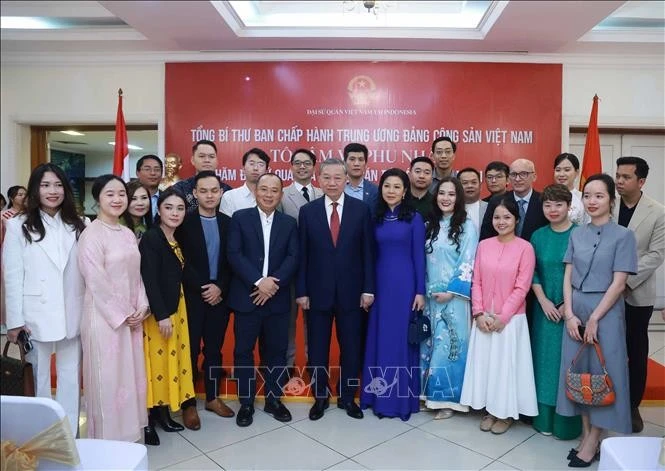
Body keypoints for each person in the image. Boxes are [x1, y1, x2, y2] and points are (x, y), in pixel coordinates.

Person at [556, 173, 637, 467]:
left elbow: (619, 283)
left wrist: (595, 319)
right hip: (576, 308)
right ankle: (588, 433)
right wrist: (569, 312)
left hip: (606, 309)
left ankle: (593, 439)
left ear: (611, 201)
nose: (592, 201)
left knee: (606, 371)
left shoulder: (624, 236)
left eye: (599, 196)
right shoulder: (577, 233)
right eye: (587, 195)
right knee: (580, 371)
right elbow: (567, 274)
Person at [3, 163, 87, 435]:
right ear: (35, 190)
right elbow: (13, 275)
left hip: (72, 311)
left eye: (58, 185)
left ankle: (69, 437)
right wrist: (14, 321)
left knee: (70, 379)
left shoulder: (80, 223)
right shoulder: (18, 225)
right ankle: (42, 438)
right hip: (35, 314)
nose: (52, 191)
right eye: (45, 185)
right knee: (38, 380)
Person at [297, 158, 375, 421]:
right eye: (326, 178)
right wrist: (302, 291)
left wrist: (368, 289)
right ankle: (320, 397)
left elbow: (368, 253)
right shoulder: (308, 212)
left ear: (346, 180)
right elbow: (303, 256)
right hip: (316, 293)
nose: (332, 183)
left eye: (337, 178)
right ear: (319, 180)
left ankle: (346, 397)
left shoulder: (361, 210)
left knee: (351, 347)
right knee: (317, 349)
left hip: (353, 294)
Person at [77, 174, 150, 442]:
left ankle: (129, 437)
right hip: (105, 320)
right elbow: (96, 280)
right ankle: (107, 442)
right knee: (107, 381)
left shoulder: (128, 233)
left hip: (131, 318)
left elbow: (137, 275)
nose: (117, 199)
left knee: (129, 380)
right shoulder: (91, 235)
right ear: (97, 199)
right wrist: (123, 314)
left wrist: (142, 305)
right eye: (110, 194)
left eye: (121, 193)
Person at [460, 197, 538, 435]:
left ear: (516, 219)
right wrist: (479, 313)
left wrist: (502, 318)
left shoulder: (525, 248)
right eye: (497, 217)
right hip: (484, 318)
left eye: (507, 217)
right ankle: (489, 409)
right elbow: (477, 282)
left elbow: (522, 287)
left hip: (510, 321)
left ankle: (504, 413)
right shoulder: (484, 245)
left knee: (506, 367)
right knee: (488, 367)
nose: (501, 222)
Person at [227, 173, 299, 427]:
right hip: (248, 297)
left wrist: (272, 284)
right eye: (264, 189)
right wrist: (259, 282)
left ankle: (273, 399)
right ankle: (246, 403)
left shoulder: (289, 223)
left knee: (276, 352)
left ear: (281, 194)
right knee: (244, 352)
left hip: (278, 299)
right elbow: (234, 254)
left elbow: (293, 257)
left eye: (274, 190)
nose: (269, 194)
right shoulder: (240, 218)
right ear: (256, 191)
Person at [360, 168, 425, 421]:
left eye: (397, 187)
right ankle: (376, 397)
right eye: (387, 186)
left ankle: (399, 402)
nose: (391, 191)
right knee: (379, 339)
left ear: (405, 191)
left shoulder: (414, 218)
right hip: (379, 286)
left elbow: (419, 256)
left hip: (405, 286)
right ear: (381, 189)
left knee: (400, 341)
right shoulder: (374, 217)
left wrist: (420, 290)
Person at [175, 171, 234, 430]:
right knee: (190, 349)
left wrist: (219, 287)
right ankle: (188, 404)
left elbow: (231, 260)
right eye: (204, 191)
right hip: (192, 296)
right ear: (195, 194)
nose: (210, 195)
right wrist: (203, 287)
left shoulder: (229, 222)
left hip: (219, 297)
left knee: (214, 349)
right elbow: (181, 262)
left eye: (214, 190)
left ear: (221, 193)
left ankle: (212, 397)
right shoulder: (183, 223)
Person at [614, 156, 665, 433]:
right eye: (618, 176)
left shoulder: (657, 212)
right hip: (605, 291)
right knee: (610, 348)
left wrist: (624, 282)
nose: (619, 181)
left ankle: (633, 405)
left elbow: (655, 255)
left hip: (636, 293)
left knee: (635, 348)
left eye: (626, 177)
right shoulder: (607, 205)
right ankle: (608, 400)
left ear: (641, 181)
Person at [139, 188, 193, 446]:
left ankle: (163, 413)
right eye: (169, 207)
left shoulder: (176, 237)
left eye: (180, 208)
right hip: (159, 312)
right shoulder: (152, 238)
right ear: (158, 210)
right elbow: (149, 278)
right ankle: (148, 420)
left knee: (170, 362)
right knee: (155, 366)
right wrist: (161, 315)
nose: (174, 213)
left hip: (177, 307)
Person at [420, 177, 478, 420]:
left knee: (450, 347)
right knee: (429, 346)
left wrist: (451, 292)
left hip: (454, 298)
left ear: (459, 198)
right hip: (431, 296)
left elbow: (468, 261)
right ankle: (429, 395)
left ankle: (449, 399)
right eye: (441, 193)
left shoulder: (466, 225)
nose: (445, 198)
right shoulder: (429, 224)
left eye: (451, 194)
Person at [529, 184, 582, 440]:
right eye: (548, 205)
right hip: (544, 310)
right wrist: (544, 301)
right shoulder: (538, 236)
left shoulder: (580, 234)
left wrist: (565, 305)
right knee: (544, 362)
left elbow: (584, 273)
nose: (553, 209)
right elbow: (532, 271)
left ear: (569, 206)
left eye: (558, 204)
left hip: (572, 312)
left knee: (567, 364)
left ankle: (566, 424)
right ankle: (543, 419)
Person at [278, 148, 323, 372]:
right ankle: (288, 365)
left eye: (307, 163)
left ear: (314, 167)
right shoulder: (281, 194)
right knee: (288, 321)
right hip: (289, 268)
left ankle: (313, 363)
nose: (302, 167)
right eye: (297, 163)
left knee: (313, 321)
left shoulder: (323, 194)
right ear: (291, 167)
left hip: (316, 269)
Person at [480, 158, 548, 242]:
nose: (517, 179)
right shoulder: (496, 201)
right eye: (513, 174)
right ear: (509, 178)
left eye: (523, 174)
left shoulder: (544, 201)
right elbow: (486, 235)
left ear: (534, 177)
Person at [173, 140, 232, 213]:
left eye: (211, 156)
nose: (207, 160)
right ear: (192, 160)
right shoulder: (180, 189)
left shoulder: (228, 191)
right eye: (202, 156)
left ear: (217, 161)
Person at [220, 148, 270, 216]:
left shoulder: (271, 197)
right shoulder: (230, 197)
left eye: (261, 164)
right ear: (243, 169)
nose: (255, 168)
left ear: (266, 171)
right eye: (251, 164)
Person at [343, 143, 378, 216]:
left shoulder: (375, 191)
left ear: (365, 164)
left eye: (360, 160)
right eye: (352, 159)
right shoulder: (338, 189)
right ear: (345, 163)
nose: (356, 164)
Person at [553, 153, 588, 226]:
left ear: (577, 172)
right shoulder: (548, 197)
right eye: (558, 170)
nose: (561, 174)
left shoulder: (584, 198)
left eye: (567, 170)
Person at [457, 167, 487, 234]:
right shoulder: (452, 209)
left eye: (474, 182)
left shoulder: (489, 208)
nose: (470, 186)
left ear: (480, 186)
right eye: (465, 183)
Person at [135, 155, 163, 224]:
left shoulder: (167, 198)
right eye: (147, 169)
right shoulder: (128, 197)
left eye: (157, 170)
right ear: (137, 173)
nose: (153, 173)